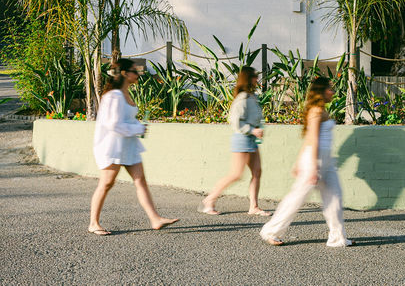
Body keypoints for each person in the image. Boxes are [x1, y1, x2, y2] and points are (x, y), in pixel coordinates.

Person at [88, 58, 179, 235]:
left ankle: (155, 219)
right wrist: (137, 127)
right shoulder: (113, 96)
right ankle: (93, 223)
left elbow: (125, 120)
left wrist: (137, 126)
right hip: (112, 146)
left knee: (140, 181)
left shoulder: (125, 94)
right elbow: (113, 125)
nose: (137, 74)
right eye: (134, 71)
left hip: (128, 145)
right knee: (106, 183)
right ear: (124, 73)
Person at [260, 77, 350, 247]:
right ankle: (271, 231)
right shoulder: (316, 111)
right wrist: (312, 167)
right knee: (297, 198)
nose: (332, 92)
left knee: (335, 198)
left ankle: (337, 238)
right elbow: (313, 139)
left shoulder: (321, 109)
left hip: (326, 160)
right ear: (321, 91)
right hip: (315, 160)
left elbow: (308, 138)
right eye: (329, 89)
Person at [199, 66, 270, 216]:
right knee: (236, 174)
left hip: (251, 139)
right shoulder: (242, 98)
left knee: (257, 172)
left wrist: (257, 129)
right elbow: (235, 121)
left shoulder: (252, 97)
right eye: (254, 77)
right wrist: (252, 130)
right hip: (242, 139)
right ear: (248, 79)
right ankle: (209, 200)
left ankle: (254, 207)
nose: (257, 79)